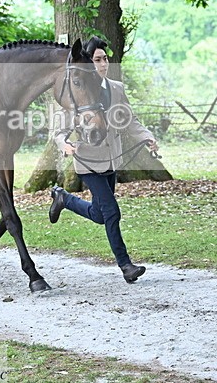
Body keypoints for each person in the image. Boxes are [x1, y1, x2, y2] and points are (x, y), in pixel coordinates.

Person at [49, 36, 158, 283]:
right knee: (111, 212)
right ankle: (126, 265)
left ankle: (64, 198)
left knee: (100, 214)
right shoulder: (79, 90)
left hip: (112, 160)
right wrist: (63, 144)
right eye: (97, 59)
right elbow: (60, 130)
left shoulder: (116, 88)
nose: (103, 63)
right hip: (88, 161)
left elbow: (130, 120)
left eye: (105, 58)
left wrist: (147, 137)